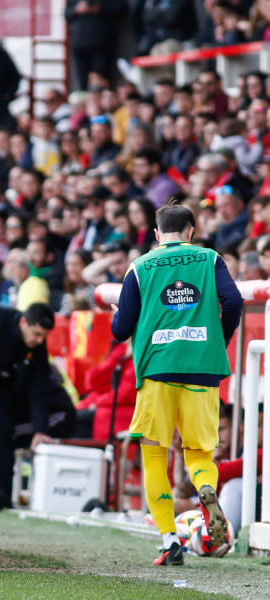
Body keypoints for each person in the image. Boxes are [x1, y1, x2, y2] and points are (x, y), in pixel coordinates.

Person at [111, 195, 243, 566]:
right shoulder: (210, 258)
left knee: (154, 456)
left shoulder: (140, 265)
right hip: (202, 368)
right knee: (199, 453)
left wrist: (116, 316)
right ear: (192, 231)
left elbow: (122, 330)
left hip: (157, 371)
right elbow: (232, 302)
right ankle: (204, 486)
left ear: (156, 233)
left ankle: (170, 539)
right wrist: (221, 338)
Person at [0, 303, 76, 509]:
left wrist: (40, 429)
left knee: (3, 432)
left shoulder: (38, 347)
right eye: (36, 334)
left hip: (4, 391)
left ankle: (1, 498)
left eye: (44, 336)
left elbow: (39, 389)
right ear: (23, 322)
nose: (40, 340)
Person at [65, 0, 127, 89]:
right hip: (79, 43)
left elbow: (122, 10)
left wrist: (99, 8)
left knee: (100, 79)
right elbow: (66, 14)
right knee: (83, 82)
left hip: (101, 43)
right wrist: (77, 9)